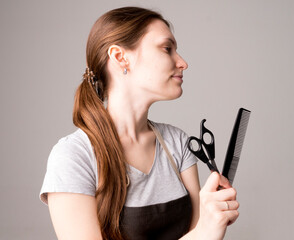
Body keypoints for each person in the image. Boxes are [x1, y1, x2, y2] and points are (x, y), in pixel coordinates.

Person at [40, 6, 239, 240]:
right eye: (167, 49)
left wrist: (213, 217)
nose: (183, 62)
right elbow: (199, 235)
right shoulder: (74, 157)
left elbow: (200, 234)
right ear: (120, 57)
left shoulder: (177, 143)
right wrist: (205, 230)